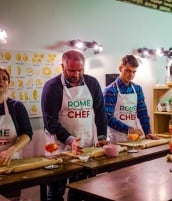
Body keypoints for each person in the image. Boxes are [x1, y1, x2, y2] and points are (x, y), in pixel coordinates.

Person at [41, 49, 108, 201]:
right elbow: (50, 122)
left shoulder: (92, 83)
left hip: (86, 148)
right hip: (59, 151)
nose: (76, 74)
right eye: (71, 70)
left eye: (80, 70)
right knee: (56, 193)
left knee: (81, 191)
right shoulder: (52, 87)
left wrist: (102, 136)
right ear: (62, 67)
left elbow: (100, 112)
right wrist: (70, 140)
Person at [103, 54, 159, 143]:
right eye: (128, 71)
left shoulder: (137, 89)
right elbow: (107, 118)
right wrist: (128, 129)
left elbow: (142, 113)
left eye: (134, 72)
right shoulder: (110, 90)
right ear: (120, 68)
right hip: (116, 140)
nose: (131, 75)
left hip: (134, 139)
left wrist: (148, 132)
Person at [0, 67, 33, 199]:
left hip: (11, 164)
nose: (1, 81)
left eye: (4, 78)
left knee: (11, 197)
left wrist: (11, 150)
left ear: (9, 83)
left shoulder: (16, 106)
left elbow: (27, 133)